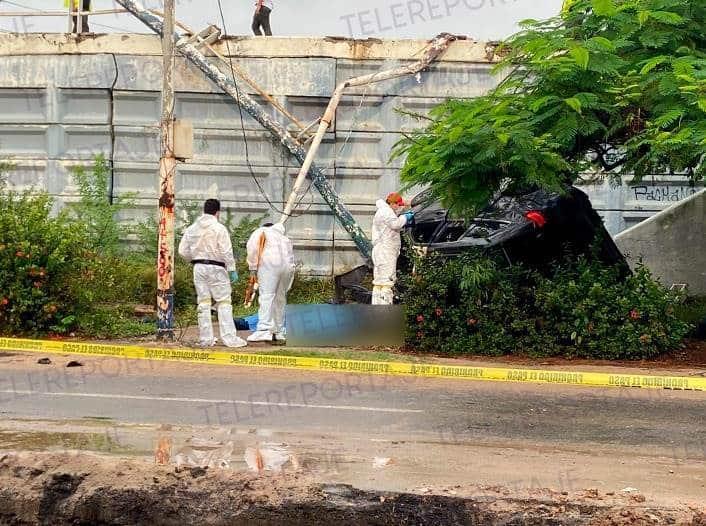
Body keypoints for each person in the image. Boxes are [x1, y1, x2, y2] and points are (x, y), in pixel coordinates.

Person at [178, 199, 247, 348]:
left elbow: (182, 251)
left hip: (198, 267)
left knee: (203, 303)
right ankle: (229, 338)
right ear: (217, 212)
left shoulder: (192, 228)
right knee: (223, 302)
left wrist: (194, 259)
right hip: (217, 268)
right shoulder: (219, 228)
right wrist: (232, 269)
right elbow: (226, 251)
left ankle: (206, 339)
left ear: (204, 210)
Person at [246, 222, 295, 342]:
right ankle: (278, 331)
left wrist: (252, 268)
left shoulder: (262, 231)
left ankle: (264, 330)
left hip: (270, 264)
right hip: (287, 268)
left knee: (267, 296)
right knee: (280, 299)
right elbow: (291, 258)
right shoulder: (284, 238)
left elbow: (252, 247)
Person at [371, 192, 414, 305]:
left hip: (380, 250)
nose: (399, 207)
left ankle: (377, 308)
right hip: (386, 251)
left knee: (379, 281)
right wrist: (406, 216)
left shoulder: (384, 210)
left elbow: (394, 215)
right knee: (387, 281)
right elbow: (396, 224)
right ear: (392, 203)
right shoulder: (386, 212)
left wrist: (405, 205)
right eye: (398, 205)